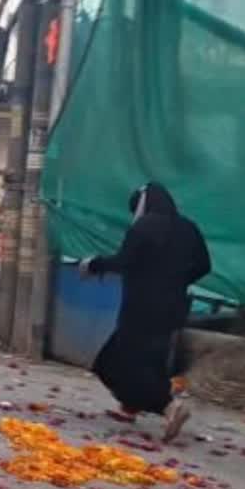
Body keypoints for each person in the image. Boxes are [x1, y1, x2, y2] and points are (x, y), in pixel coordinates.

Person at [81, 181, 211, 443]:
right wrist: (176, 280)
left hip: (141, 306)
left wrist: (93, 264)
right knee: (144, 359)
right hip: (173, 307)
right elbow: (204, 266)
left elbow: (124, 262)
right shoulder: (189, 228)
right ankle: (130, 406)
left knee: (123, 361)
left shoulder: (144, 227)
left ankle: (168, 407)